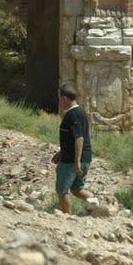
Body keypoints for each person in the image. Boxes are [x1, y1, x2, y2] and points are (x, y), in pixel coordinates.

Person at [51, 83, 93, 214]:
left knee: (62, 191)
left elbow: (79, 138)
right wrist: (61, 152)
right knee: (76, 190)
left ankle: (66, 219)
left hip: (71, 161)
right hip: (84, 157)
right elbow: (72, 137)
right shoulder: (80, 112)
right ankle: (96, 204)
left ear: (64, 98)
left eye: (60, 99)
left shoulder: (72, 115)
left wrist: (76, 161)